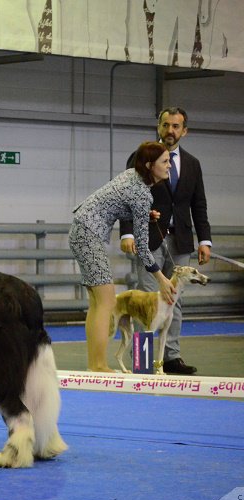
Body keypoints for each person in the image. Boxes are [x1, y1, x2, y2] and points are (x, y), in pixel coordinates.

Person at [119, 107, 212, 375]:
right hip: (148, 238)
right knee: (146, 299)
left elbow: (199, 204)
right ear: (158, 127)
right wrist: (127, 233)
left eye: (176, 126)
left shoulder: (193, 164)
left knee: (175, 301)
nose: (170, 131)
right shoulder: (141, 157)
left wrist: (204, 240)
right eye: (166, 125)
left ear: (185, 131)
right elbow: (128, 196)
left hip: (181, 240)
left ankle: (171, 358)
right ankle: (144, 360)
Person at [70, 141, 176, 372]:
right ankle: (97, 365)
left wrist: (144, 214)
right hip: (89, 235)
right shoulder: (141, 194)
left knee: (97, 302)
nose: (170, 165)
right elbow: (143, 247)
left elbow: (116, 202)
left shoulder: (132, 176)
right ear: (150, 165)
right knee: (107, 302)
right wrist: (162, 278)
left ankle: (94, 364)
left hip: (82, 230)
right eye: (165, 161)